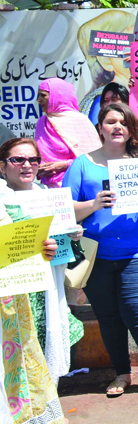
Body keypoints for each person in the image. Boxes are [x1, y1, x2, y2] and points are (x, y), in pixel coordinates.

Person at [62, 103, 138, 407]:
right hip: (97, 256)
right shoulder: (81, 165)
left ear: (131, 128)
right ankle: (122, 374)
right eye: (110, 121)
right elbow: (66, 208)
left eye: (123, 122)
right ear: (100, 127)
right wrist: (93, 204)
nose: (117, 127)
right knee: (109, 317)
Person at [0, 138, 85, 384]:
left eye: (33, 160)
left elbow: (65, 247)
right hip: (14, 291)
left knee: (46, 345)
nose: (27, 165)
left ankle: (47, 408)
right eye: (18, 160)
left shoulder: (47, 196)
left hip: (47, 286)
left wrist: (72, 235)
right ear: (3, 167)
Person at [0, 202, 69, 424]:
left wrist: (42, 250)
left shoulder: (2, 198)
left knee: (14, 368)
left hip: (9, 306)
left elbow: (16, 243)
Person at [35, 78, 102, 188]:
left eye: (43, 95)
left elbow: (94, 158)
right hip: (48, 187)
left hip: (78, 185)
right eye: (39, 95)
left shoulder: (79, 121)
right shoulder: (42, 123)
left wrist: (64, 165)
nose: (39, 100)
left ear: (56, 96)